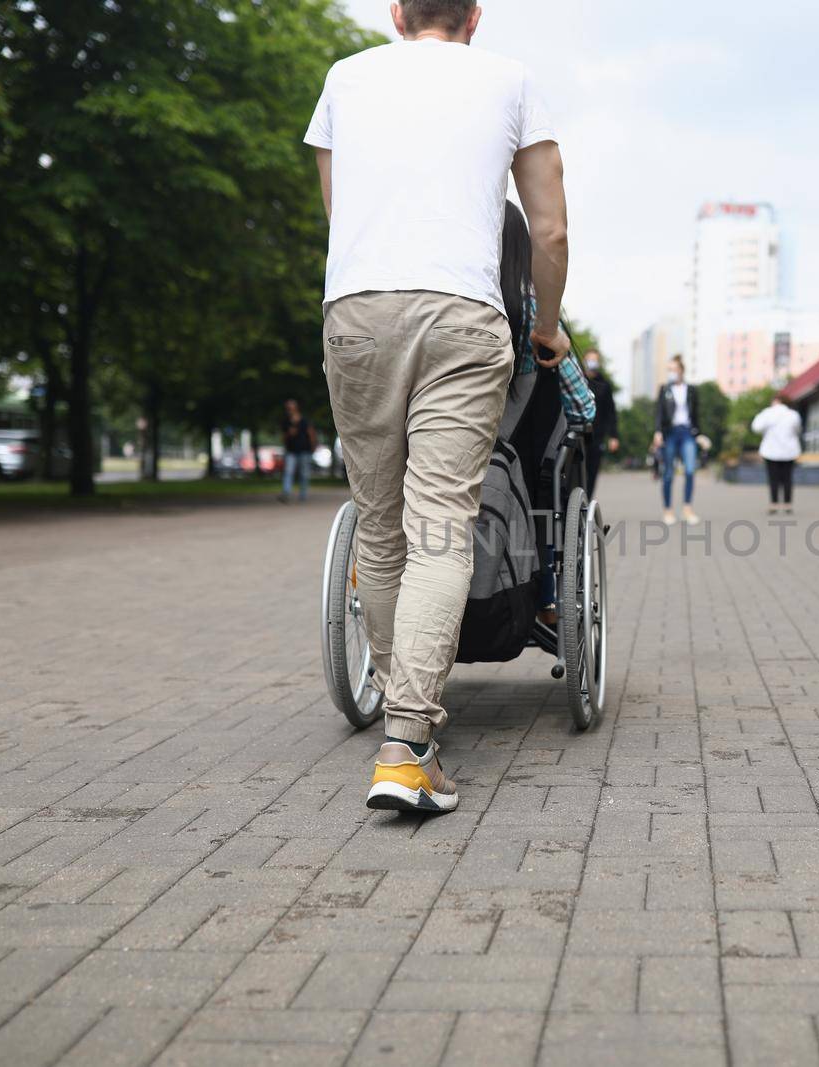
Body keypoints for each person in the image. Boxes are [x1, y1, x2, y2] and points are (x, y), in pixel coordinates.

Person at [306, 0, 570, 814]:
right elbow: (549, 232)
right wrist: (549, 330)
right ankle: (408, 743)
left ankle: (403, 718)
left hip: (357, 310)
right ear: (475, 16)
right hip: (462, 313)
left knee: (379, 523)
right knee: (441, 527)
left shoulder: (343, 79)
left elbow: (336, 207)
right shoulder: (512, 81)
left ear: (395, 12)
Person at [500, 203, 593, 627]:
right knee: (546, 483)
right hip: (527, 480)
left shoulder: (453, 309)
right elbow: (582, 406)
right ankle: (544, 598)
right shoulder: (541, 319)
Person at [651, 355, 700, 525]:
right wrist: (657, 432)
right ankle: (668, 510)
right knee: (668, 473)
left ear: (681, 370)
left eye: (674, 369)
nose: (671, 372)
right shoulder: (664, 389)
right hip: (670, 433)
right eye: (669, 370)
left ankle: (687, 509)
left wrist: (699, 434)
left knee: (690, 470)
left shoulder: (691, 390)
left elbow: (696, 414)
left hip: (687, 432)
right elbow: (658, 413)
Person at [751, 394, 802, 514]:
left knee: (773, 478)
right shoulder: (793, 414)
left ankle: (774, 504)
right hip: (789, 450)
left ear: (776, 401)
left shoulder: (767, 413)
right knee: (787, 478)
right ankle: (787, 504)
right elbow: (797, 430)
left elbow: (756, 427)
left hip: (771, 450)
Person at [581, 350, 618, 497]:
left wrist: (613, 436)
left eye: (595, 360)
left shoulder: (605, 385)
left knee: (592, 471)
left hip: (597, 436)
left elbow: (611, 412)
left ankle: (586, 504)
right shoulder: (578, 380)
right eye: (590, 359)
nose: (592, 363)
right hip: (578, 433)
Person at [280, 399, 318, 503]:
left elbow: (311, 434)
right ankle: (286, 493)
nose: (289, 410)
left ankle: (303, 495)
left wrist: (313, 446)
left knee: (304, 473)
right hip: (291, 451)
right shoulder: (286, 421)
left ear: (296, 408)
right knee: (288, 472)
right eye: (288, 408)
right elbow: (283, 437)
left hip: (304, 450)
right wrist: (289, 434)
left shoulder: (304, 420)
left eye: (291, 408)